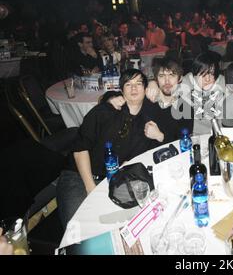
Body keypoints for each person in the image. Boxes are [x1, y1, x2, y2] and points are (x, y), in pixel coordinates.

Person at [56, 69, 165, 229]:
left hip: (116, 181)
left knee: (134, 225)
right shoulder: (104, 112)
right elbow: (80, 148)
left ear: (145, 89)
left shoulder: (147, 121)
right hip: (80, 177)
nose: (134, 88)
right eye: (128, 84)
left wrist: (159, 136)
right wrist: (90, 187)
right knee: (78, 230)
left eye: (138, 84)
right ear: (121, 91)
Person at [107, 56, 194, 142]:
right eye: (162, 76)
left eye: (172, 75)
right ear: (156, 79)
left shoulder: (186, 108)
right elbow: (121, 93)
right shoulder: (148, 96)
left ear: (180, 79)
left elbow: (184, 141)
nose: (167, 81)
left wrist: (161, 136)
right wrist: (111, 99)